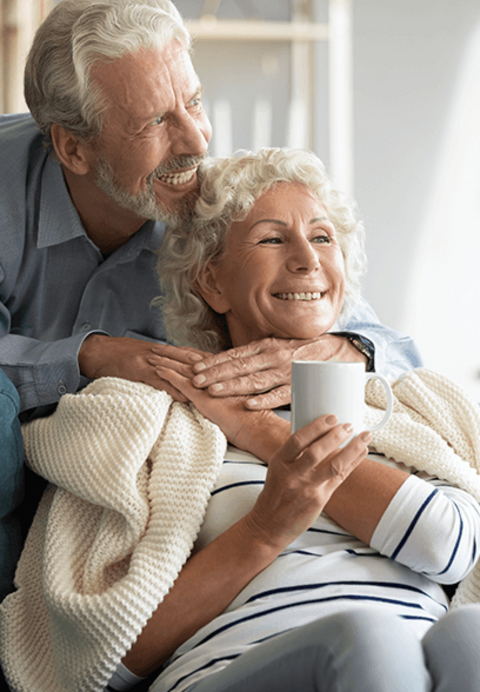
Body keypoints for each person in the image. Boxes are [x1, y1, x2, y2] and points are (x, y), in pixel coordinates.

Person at [3, 148, 476, 692]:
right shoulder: (140, 421)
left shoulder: (407, 404)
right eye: (273, 239)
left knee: (471, 636)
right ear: (213, 282)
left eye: (323, 238)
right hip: (237, 667)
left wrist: (263, 432)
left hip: (414, 658)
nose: (307, 259)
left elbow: (452, 546)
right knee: (372, 639)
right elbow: (104, 658)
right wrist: (264, 526)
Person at [0, 0, 422, 425]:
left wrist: (342, 350)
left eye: (194, 102)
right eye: (156, 121)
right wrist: (91, 355)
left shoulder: (215, 205)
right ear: (73, 149)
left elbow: (390, 346)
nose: (198, 141)